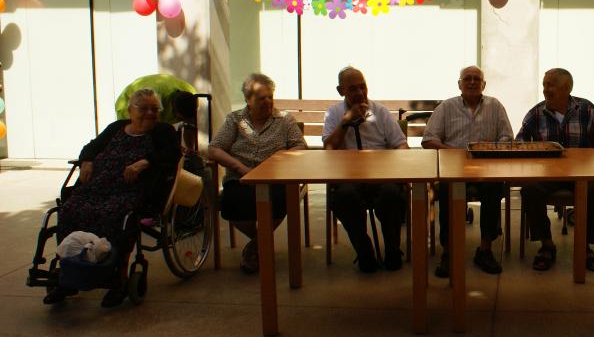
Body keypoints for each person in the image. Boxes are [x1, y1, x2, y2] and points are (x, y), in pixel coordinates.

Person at [48, 88, 181, 307]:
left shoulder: (163, 131)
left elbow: (173, 153)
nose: (150, 113)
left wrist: (144, 162)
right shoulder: (116, 128)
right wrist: (87, 160)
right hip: (96, 187)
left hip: (130, 190)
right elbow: (91, 146)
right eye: (144, 108)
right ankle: (68, 273)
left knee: (117, 216)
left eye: (154, 109)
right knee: (70, 210)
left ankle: (118, 276)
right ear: (130, 111)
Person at [207, 73, 306, 274]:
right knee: (232, 203)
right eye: (262, 98)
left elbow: (300, 146)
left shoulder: (285, 120)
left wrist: (276, 163)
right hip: (241, 178)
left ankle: (255, 247)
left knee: (281, 199)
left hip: (275, 179)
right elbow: (214, 149)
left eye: (270, 96)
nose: (268, 101)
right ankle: (262, 243)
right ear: (248, 99)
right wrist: (240, 168)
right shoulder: (235, 120)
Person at [515, 68, 594, 272]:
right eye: (544, 84)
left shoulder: (586, 109)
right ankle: (546, 245)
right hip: (547, 174)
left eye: (550, 85)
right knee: (530, 190)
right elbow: (520, 142)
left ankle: (585, 246)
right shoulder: (536, 112)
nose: (545, 89)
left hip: (582, 173)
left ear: (567, 88)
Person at [422, 65, 513, 277]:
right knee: (447, 190)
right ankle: (449, 251)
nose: (472, 82)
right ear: (459, 84)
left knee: (493, 188)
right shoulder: (446, 107)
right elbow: (429, 139)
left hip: (485, 168)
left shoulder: (495, 105)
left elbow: (507, 137)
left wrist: (489, 150)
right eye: (467, 78)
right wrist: (455, 153)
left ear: (484, 84)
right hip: (453, 169)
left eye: (476, 79)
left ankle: (485, 250)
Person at [322, 66, 408, 273]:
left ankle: (392, 250)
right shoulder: (334, 113)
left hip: (381, 173)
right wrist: (345, 122)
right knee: (344, 198)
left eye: (363, 87)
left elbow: (401, 145)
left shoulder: (380, 111)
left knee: (391, 194)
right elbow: (329, 148)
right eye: (353, 89)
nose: (360, 93)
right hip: (348, 175)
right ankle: (364, 252)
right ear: (341, 91)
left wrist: (400, 166)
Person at [114, 73, 196, 126]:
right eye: (179, 118)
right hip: (127, 103)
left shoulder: (193, 94)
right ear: (173, 108)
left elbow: (190, 125)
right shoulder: (154, 98)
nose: (180, 120)